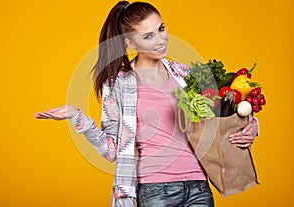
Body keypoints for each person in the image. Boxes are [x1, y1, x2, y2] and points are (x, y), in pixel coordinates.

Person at [35, 1, 259, 207]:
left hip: (199, 186)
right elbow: (112, 150)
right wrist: (77, 117)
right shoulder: (118, 86)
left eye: (161, 29)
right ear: (130, 42)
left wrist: (251, 127)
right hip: (154, 191)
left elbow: (217, 118)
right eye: (148, 36)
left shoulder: (184, 74)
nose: (161, 40)